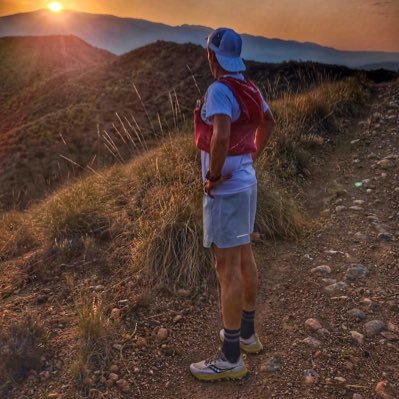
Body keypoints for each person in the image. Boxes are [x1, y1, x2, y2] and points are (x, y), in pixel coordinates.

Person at [189, 27, 276, 381]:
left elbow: (221, 133)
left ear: (213, 57)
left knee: (226, 269)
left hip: (225, 192)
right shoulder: (250, 88)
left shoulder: (219, 90)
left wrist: (215, 175)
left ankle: (230, 358)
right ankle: (248, 334)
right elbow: (268, 122)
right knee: (244, 258)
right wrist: (252, 156)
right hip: (247, 185)